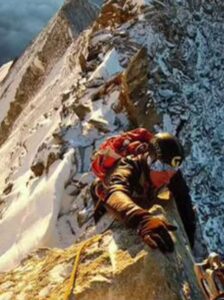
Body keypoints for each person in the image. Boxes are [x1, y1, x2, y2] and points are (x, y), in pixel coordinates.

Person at [90, 131, 196, 253]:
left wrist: (189, 246)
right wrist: (142, 220)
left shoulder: (170, 171)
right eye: (163, 169)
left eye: (172, 170)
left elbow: (185, 205)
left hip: (139, 195)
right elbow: (115, 192)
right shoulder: (128, 166)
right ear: (151, 162)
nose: (167, 177)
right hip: (112, 203)